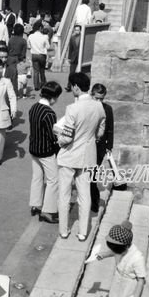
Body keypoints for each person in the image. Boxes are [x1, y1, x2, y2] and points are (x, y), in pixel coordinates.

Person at [56, 72, 106, 241]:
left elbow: (67, 136)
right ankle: (83, 232)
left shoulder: (72, 108)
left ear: (76, 86)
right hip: (87, 155)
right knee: (85, 195)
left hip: (69, 155)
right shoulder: (99, 107)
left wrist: (59, 138)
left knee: (64, 193)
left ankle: (64, 229)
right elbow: (100, 132)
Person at [28, 81, 62, 224]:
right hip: (45, 151)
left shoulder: (34, 107)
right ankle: (48, 210)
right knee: (53, 180)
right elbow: (52, 136)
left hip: (34, 148)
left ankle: (35, 204)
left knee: (37, 177)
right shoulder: (49, 113)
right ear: (53, 97)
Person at [90, 84, 113, 213]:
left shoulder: (107, 109)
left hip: (99, 147)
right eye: (97, 98)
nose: (99, 101)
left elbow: (110, 129)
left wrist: (109, 146)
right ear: (92, 95)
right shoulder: (86, 108)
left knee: (93, 174)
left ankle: (94, 201)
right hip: (86, 144)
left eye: (101, 99)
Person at [5, 24, 27, 96]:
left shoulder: (11, 39)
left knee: (8, 76)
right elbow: (23, 53)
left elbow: (8, 49)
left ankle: (7, 91)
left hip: (10, 58)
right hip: (18, 59)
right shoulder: (23, 41)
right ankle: (15, 93)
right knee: (16, 78)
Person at [28, 24, 50, 92]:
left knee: (36, 71)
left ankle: (36, 86)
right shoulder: (44, 37)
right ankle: (43, 83)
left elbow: (28, 46)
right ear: (40, 28)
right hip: (42, 55)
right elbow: (48, 47)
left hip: (34, 54)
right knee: (42, 70)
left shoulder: (30, 36)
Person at [65, 26, 81, 91]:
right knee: (71, 73)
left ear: (80, 30)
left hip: (80, 57)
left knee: (80, 73)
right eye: (75, 30)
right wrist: (69, 58)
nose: (76, 31)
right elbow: (70, 49)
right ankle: (69, 86)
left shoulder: (82, 37)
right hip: (73, 57)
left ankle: (80, 86)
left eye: (78, 30)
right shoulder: (72, 38)